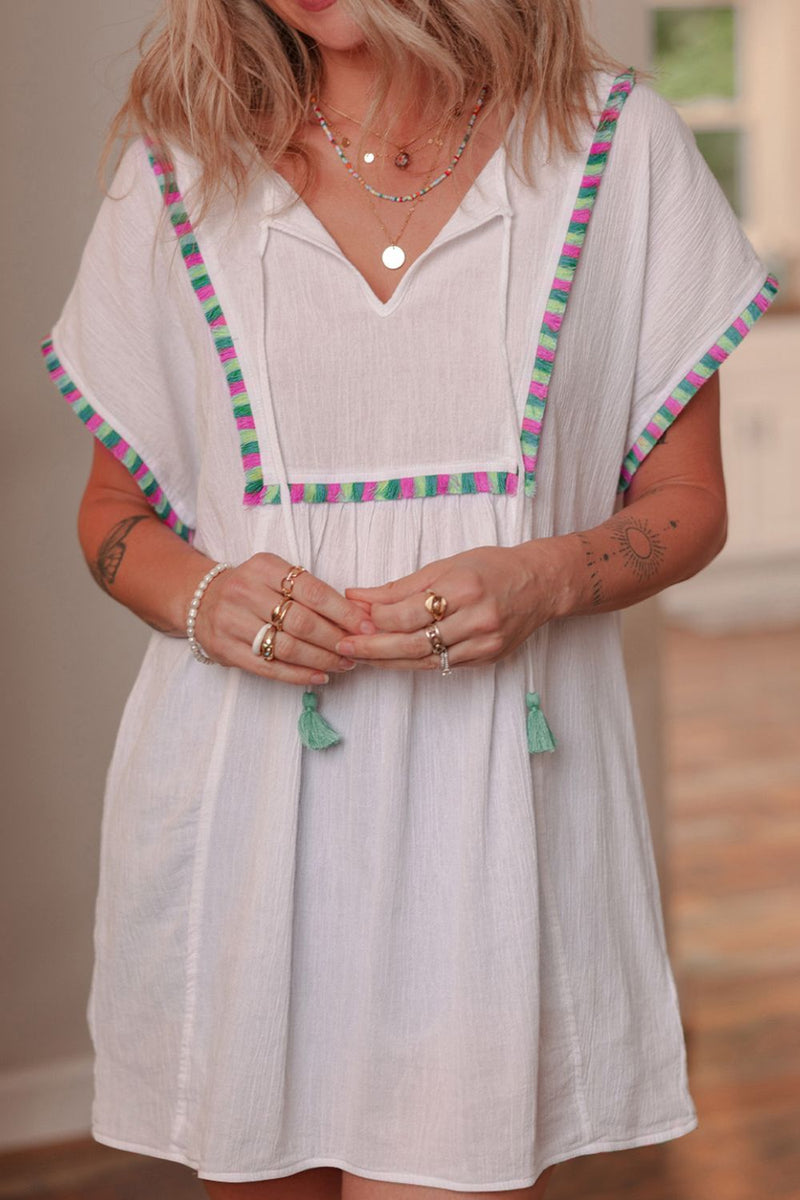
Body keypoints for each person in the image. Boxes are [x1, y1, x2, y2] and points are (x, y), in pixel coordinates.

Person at [39, 1, 778, 1197]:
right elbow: (112, 518)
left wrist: (542, 575)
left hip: (496, 824)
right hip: (243, 825)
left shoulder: (611, 147)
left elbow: (689, 504)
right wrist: (205, 596)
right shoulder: (180, 170)